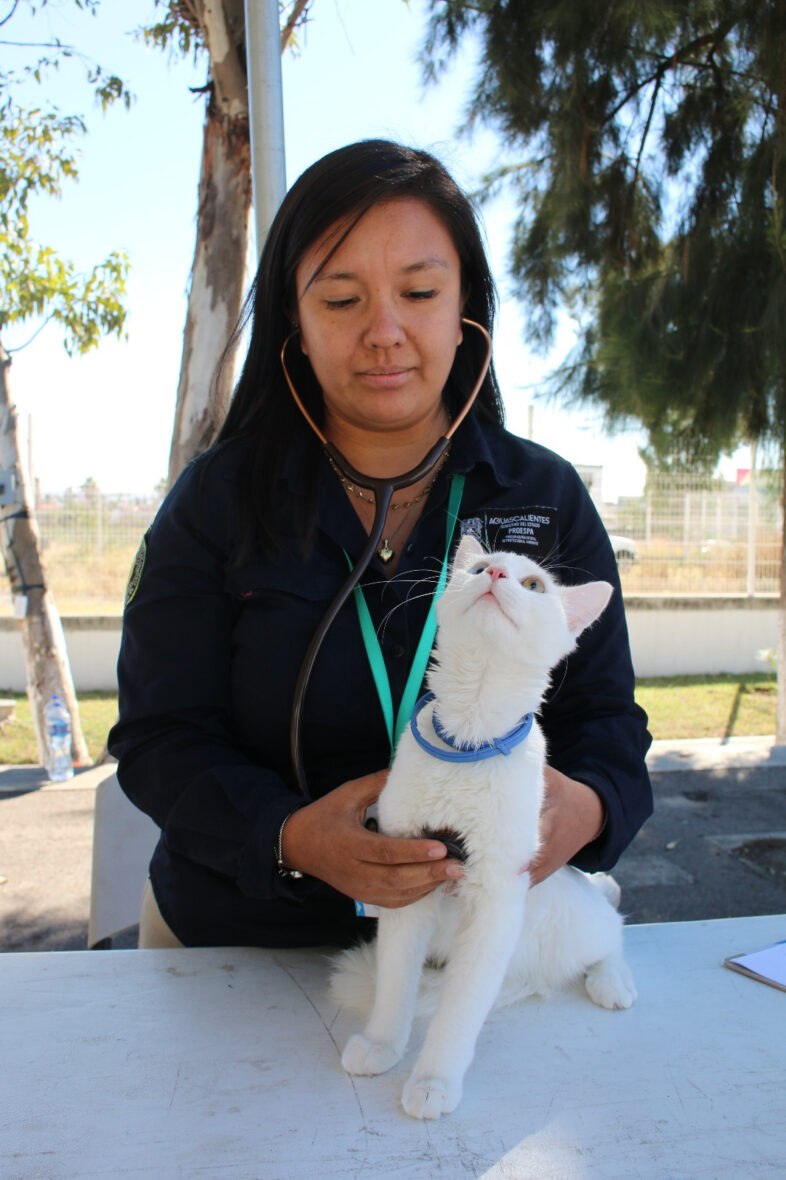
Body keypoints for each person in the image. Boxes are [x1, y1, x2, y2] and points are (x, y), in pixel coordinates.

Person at [108, 139, 652, 949]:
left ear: (467, 307)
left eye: (420, 291)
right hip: (243, 945)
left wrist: (591, 805)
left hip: (473, 955)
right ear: (294, 318)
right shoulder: (215, 502)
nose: (385, 332)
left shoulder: (544, 497)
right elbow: (159, 737)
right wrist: (289, 837)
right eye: (340, 300)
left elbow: (605, 717)